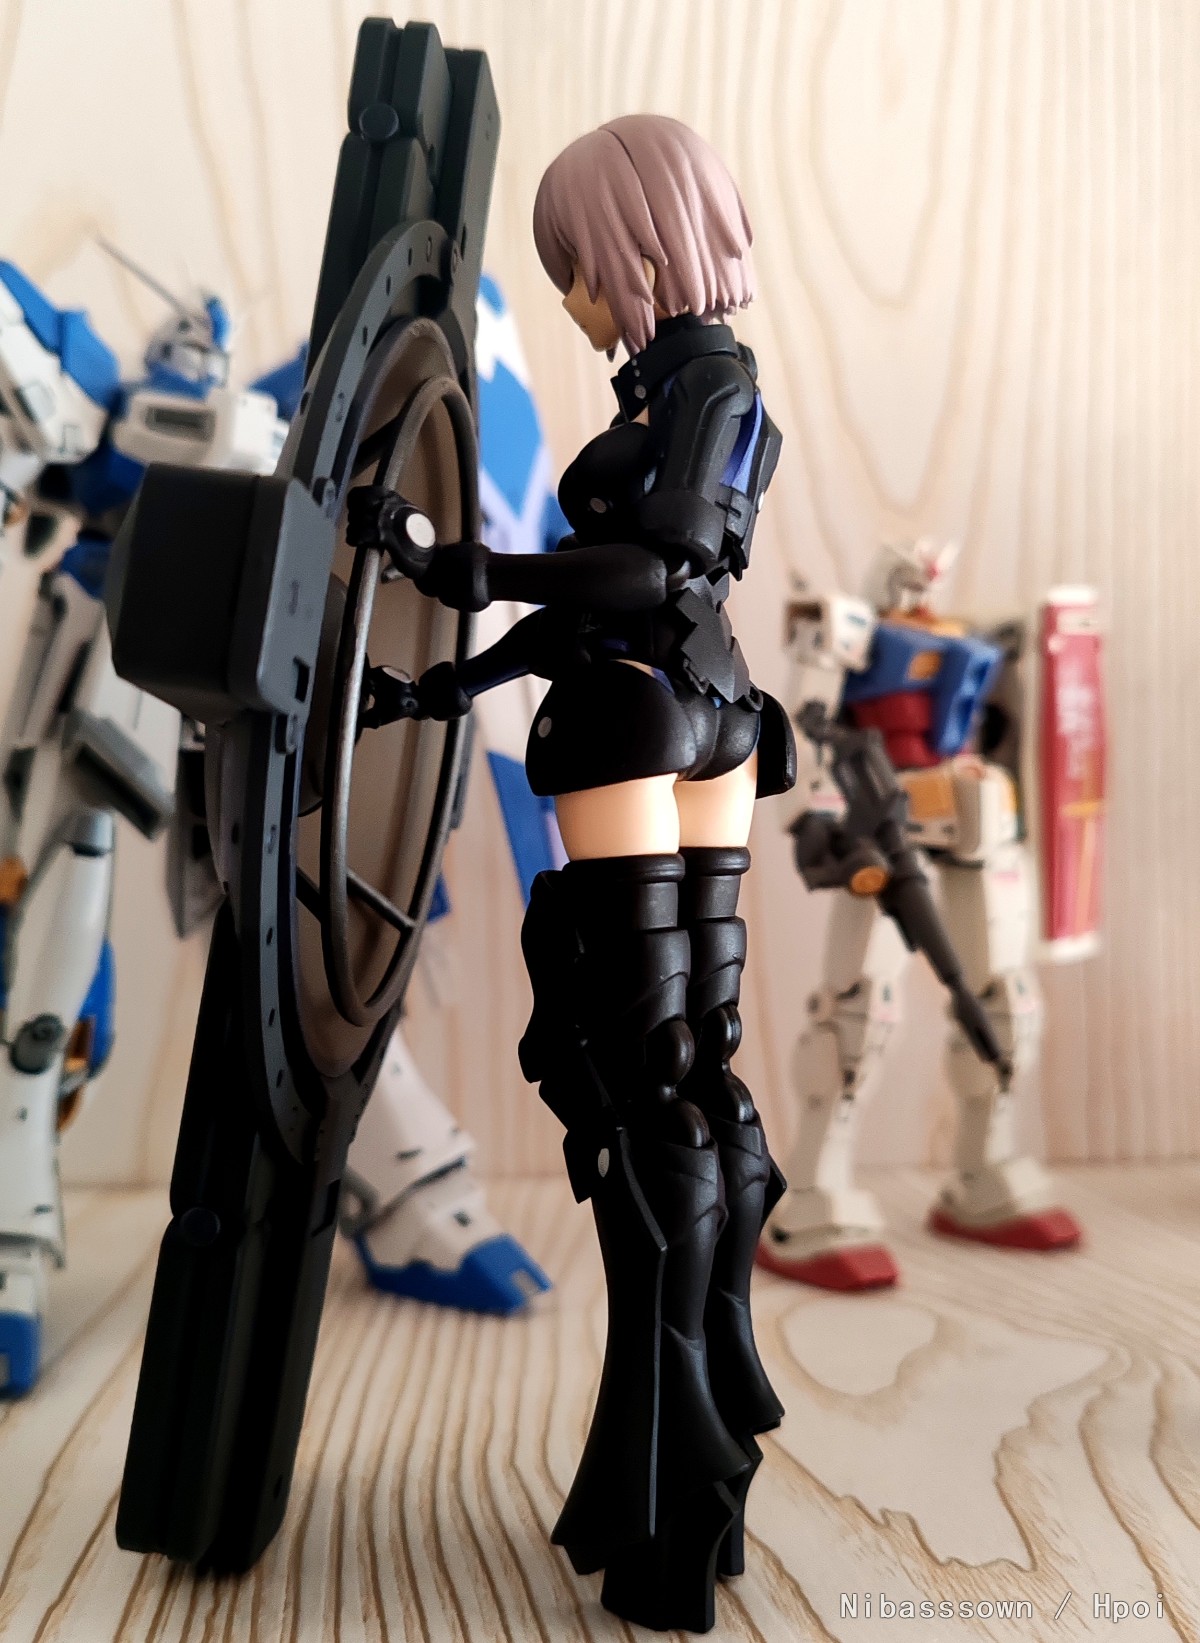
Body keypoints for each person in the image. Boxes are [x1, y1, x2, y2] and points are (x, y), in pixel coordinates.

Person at [347, 115, 795, 1634]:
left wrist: (470, 571)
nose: (575, 300)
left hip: (647, 719)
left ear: (638, 240)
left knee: (641, 1087)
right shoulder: (686, 388)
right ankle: (671, 1455)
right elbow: (614, 604)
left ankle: (682, 1461)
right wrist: (445, 683)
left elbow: (652, 573)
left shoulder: (713, 386)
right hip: (696, 707)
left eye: (578, 268)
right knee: (681, 1074)